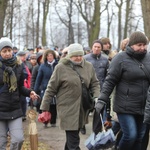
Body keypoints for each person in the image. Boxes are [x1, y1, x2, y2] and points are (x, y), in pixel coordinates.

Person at [95, 31, 150, 150]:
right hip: (125, 106)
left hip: (143, 106)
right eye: (139, 45)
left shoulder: (148, 58)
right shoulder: (120, 58)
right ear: (132, 45)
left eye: (144, 45)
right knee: (131, 135)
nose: (143, 48)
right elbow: (110, 81)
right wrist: (102, 100)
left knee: (140, 137)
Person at [39, 43, 100, 150]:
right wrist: (45, 108)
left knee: (72, 136)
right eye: (75, 55)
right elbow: (51, 88)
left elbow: (94, 83)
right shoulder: (60, 68)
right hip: (66, 108)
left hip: (82, 108)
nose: (78, 57)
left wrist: (96, 96)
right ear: (69, 55)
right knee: (74, 139)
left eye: (80, 55)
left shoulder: (88, 67)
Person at [0, 37, 38, 150]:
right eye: (4, 51)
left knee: (18, 139)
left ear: (12, 50)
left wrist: (29, 92)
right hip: (0, 110)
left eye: (9, 50)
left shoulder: (19, 65)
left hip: (14, 109)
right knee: (1, 142)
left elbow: (20, 87)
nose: (7, 53)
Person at [83, 40, 109, 134]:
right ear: (92, 47)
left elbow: (107, 74)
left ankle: (96, 130)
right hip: (87, 88)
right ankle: (82, 124)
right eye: (95, 47)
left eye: (98, 47)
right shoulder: (85, 58)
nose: (97, 49)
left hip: (100, 88)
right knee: (86, 108)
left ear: (101, 48)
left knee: (99, 109)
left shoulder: (105, 60)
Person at [34, 49, 58, 127]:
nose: (50, 57)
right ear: (46, 57)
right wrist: (35, 90)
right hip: (45, 88)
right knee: (46, 105)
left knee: (54, 106)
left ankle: (53, 121)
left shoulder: (58, 65)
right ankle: (45, 121)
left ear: (53, 56)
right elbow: (38, 78)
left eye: (51, 55)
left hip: (56, 88)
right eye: (48, 56)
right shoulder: (43, 66)